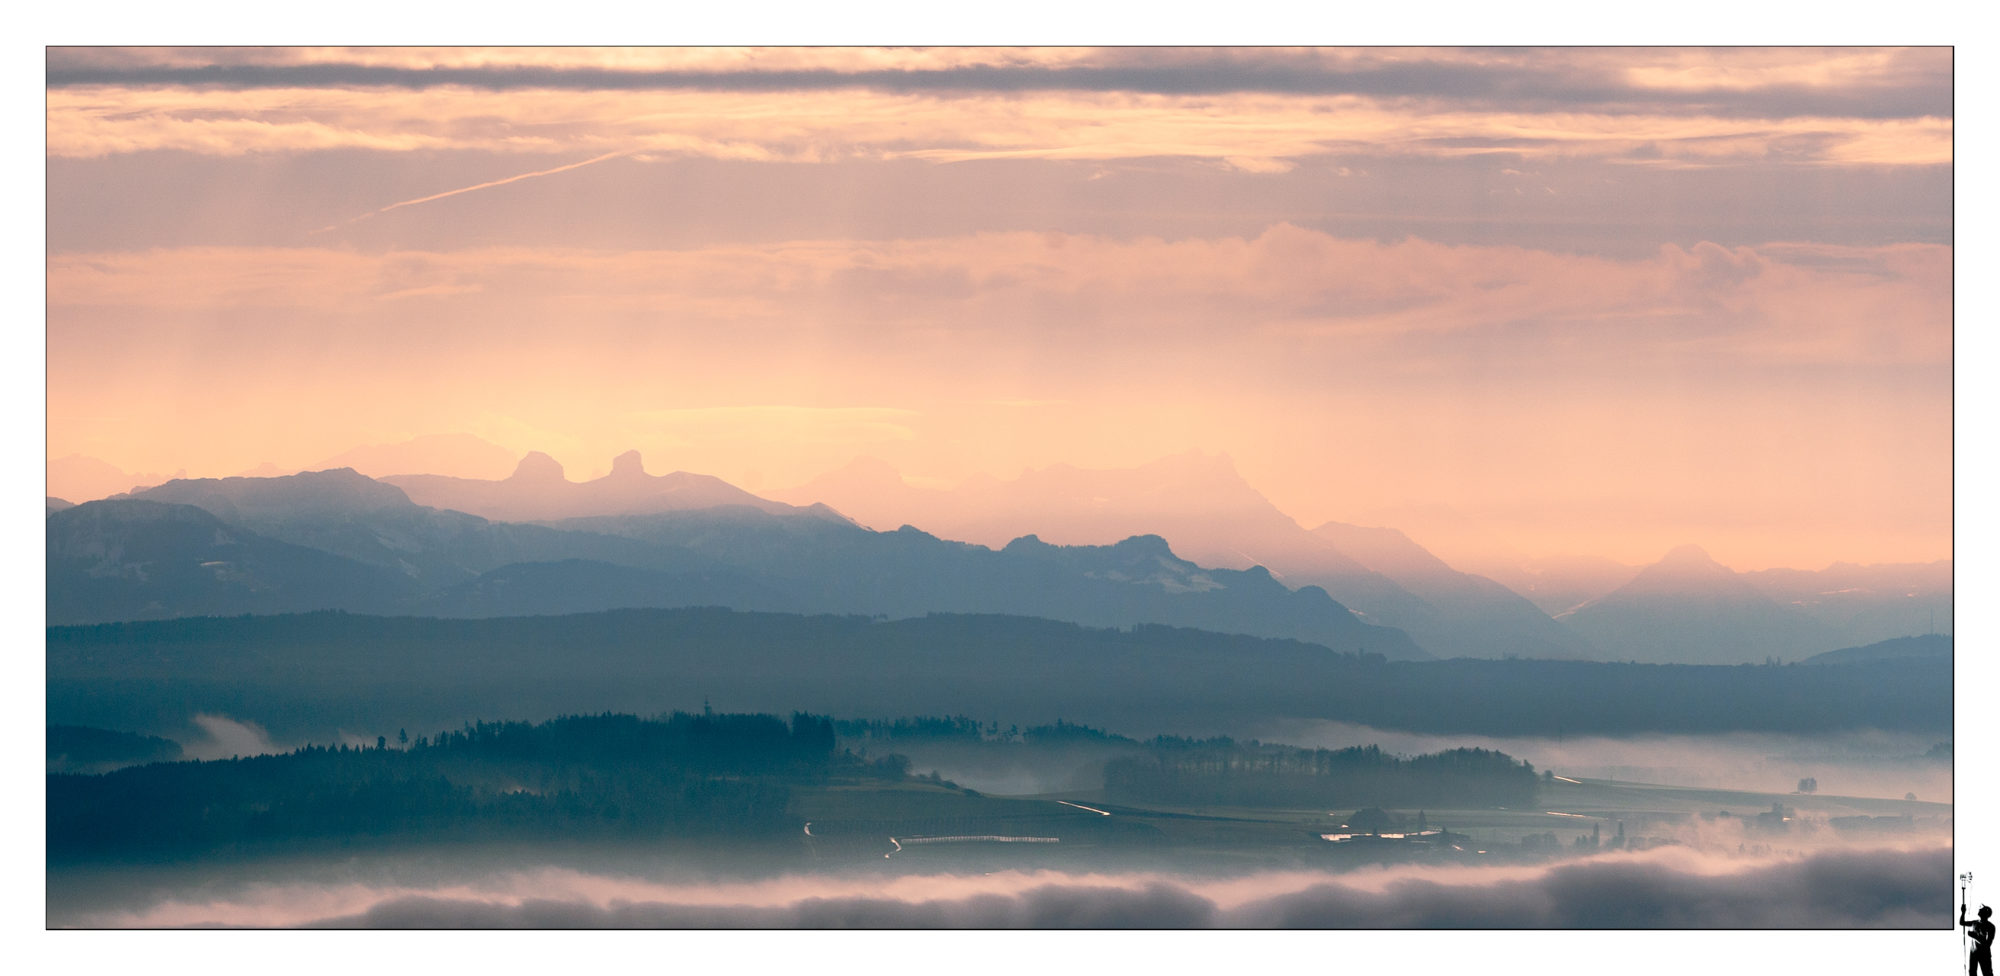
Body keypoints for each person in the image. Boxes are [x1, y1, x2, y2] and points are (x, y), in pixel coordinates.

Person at [1963, 903, 1995, 976]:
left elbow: (1987, 944)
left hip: (1984, 954)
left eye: (1981, 909)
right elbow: (1962, 923)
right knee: (1972, 973)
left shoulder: (1990, 927)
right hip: (1973, 953)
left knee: (1987, 973)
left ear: (1985, 913)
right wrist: (1963, 912)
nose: (1979, 909)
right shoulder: (1975, 922)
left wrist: (1974, 936)